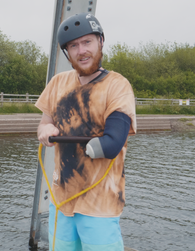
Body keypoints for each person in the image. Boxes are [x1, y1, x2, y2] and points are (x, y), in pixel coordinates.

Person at [35, 13, 137, 251]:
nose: (82, 51)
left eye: (87, 42)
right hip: (61, 199)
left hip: (100, 202)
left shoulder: (117, 85)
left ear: (101, 42)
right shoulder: (57, 83)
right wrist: (45, 129)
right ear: (67, 53)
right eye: (73, 46)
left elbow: (111, 144)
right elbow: (43, 123)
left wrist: (92, 143)